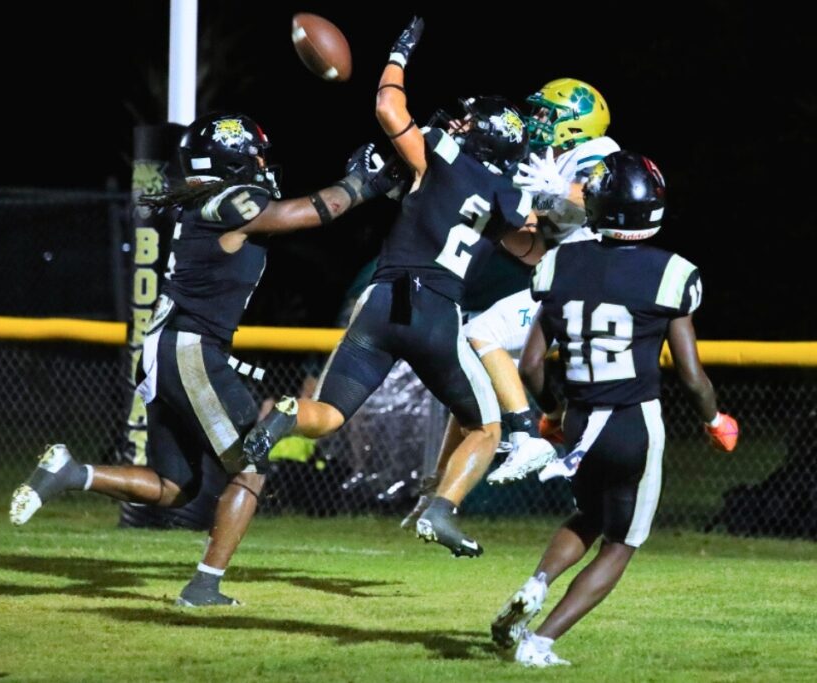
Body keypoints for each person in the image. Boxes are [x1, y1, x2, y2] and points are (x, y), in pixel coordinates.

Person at [8, 112, 396, 606]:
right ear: (231, 160)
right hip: (189, 346)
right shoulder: (228, 199)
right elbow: (306, 213)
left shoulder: (205, 201)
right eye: (253, 154)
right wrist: (361, 183)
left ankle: (71, 472)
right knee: (251, 467)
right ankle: (204, 586)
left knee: (176, 487)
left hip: (165, 347)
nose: (261, 163)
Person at [241, 17, 544, 557]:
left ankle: (285, 414)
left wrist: (399, 54)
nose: (459, 125)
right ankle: (442, 511)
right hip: (433, 312)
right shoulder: (500, 189)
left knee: (328, 417)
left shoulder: (438, 155)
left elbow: (387, 109)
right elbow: (527, 240)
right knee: (486, 427)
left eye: (470, 122)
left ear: (483, 135)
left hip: (380, 301)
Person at [489, 150, 739, 667]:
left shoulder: (560, 263)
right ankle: (540, 642)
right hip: (632, 425)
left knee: (589, 513)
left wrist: (554, 415)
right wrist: (715, 419)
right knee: (621, 542)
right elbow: (691, 375)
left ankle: (536, 585)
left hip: (581, 421)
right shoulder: (671, 272)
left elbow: (532, 363)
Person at [401, 78, 621, 528]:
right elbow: (535, 247)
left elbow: (589, 196)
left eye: (548, 115)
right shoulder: (551, 162)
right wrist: (493, 220)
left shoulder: (597, 151)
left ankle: (526, 433)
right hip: (563, 277)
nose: (537, 122)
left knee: (480, 334)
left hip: (593, 282)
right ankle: (442, 485)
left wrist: (548, 195)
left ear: (576, 124)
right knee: (469, 378)